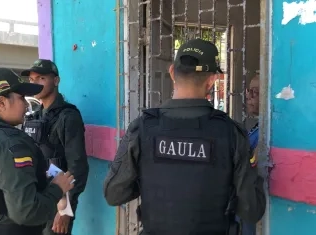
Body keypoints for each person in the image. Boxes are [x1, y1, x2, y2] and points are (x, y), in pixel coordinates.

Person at [103, 38, 266, 235]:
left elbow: (113, 194)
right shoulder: (231, 133)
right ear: (212, 79)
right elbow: (252, 210)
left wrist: (149, 180)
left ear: (172, 72)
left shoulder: (142, 127)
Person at [0, 67, 74, 235]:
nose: (27, 104)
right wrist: (58, 189)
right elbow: (27, 212)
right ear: (1, 103)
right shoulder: (9, 143)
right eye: (21, 98)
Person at [21, 59, 89, 235]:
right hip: (36, 197)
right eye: (32, 79)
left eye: (41, 78)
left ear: (56, 81)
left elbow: (78, 167)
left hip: (59, 199)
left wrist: (65, 211)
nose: (35, 83)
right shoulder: (32, 117)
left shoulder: (68, 116)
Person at [239, 72, 260, 235]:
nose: (249, 96)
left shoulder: (267, 132)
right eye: (248, 91)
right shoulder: (258, 128)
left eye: (255, 92)